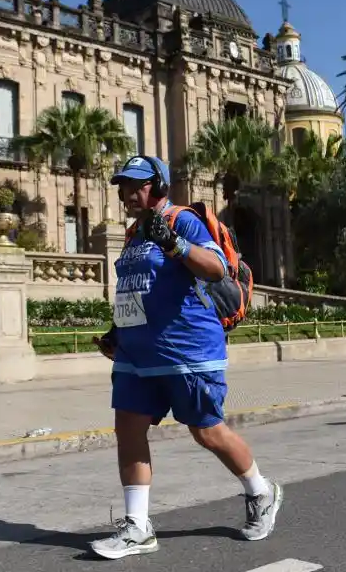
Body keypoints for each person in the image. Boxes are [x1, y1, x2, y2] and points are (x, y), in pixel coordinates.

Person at [88, 155, 283, 561]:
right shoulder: (133, 234)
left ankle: (261, 490)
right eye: (124, 186)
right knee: (128, 429)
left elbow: (215, 269)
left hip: (188, 350)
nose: (128, 193)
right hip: (136, 354)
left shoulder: (182, 220)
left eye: (137, 185)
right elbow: (136, 288)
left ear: (158, 185)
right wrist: (116, 331)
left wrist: (174, 243)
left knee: (206, 431)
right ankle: (137, 526)